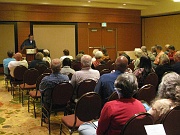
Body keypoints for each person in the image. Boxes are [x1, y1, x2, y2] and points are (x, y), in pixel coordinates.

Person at [78, 73, 146, 135]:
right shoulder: (141, 105)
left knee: (83, 127)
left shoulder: (110, 106)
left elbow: (99, 132)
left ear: (117, 90)